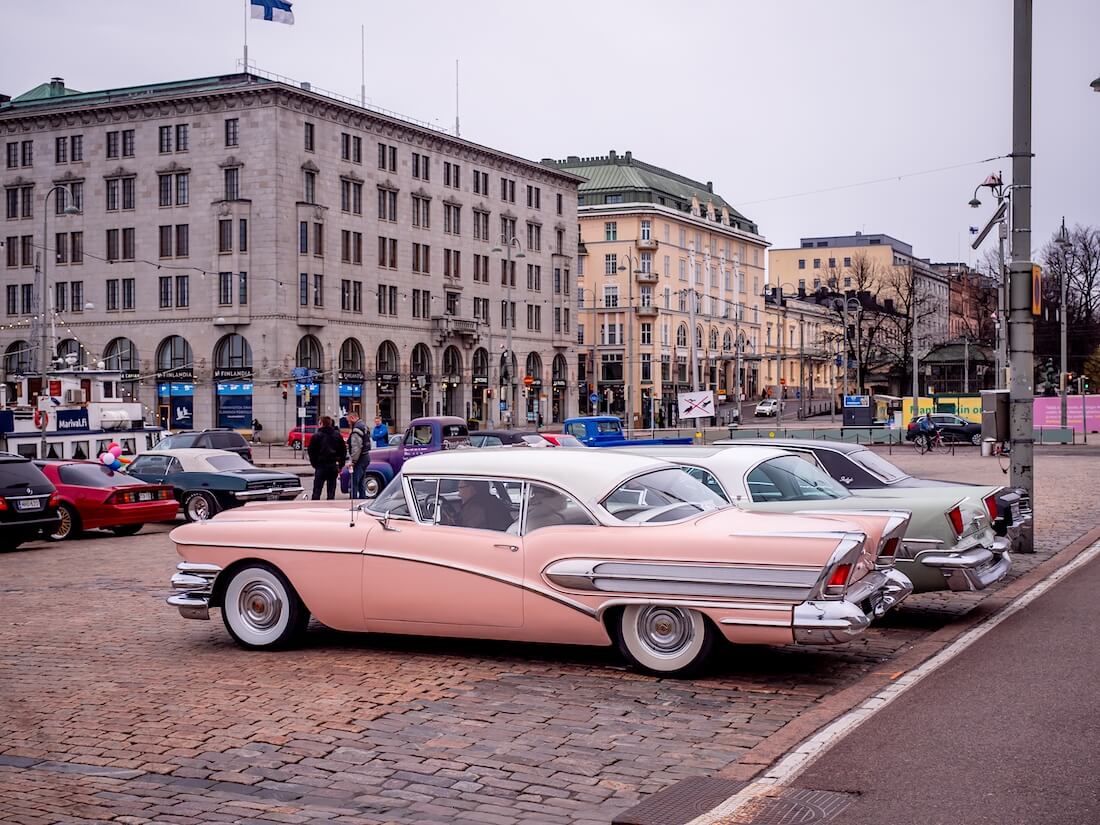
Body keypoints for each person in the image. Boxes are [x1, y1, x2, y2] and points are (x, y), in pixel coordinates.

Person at [307, 415, 346, 500]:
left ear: (321, 423)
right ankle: (330, 507)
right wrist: (340, 465)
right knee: (331, 491)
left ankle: (315, 508)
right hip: (333, 465)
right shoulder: (337, 435)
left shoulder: (316, 436)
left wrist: (314, 464)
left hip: (321, 465)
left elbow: (311, 451)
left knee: (317, 491)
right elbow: (343, 451)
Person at [346, 412, 370, 499]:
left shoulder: (356, 429)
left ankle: (353, 503)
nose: (348, 423)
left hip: (360, 458)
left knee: (354, 483)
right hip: (366, 456)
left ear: (352, 418)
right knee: (361, 483)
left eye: (348, 420)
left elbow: (356, 447)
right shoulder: (364, 426)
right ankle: (362, 501)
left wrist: (353, 461)